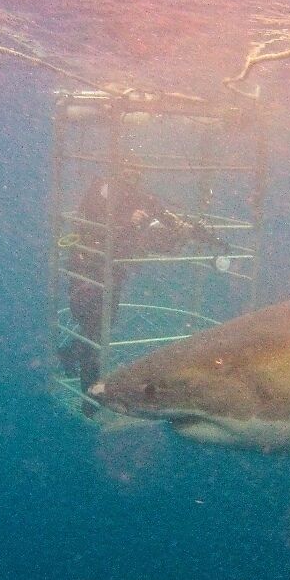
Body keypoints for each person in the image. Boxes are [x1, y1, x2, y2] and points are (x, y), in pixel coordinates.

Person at [58, 167, 223, 411]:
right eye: (126, 175)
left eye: (134, 177)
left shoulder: (141, 199)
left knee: (103, 325)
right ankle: (90, 401)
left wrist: (202, 235)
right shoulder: (99, 196)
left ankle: (70, 354)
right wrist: (127, 223)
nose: (130, 182)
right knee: (94, 329)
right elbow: (92, 228)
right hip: (88, 269)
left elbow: (170, 220)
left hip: (111, 272)